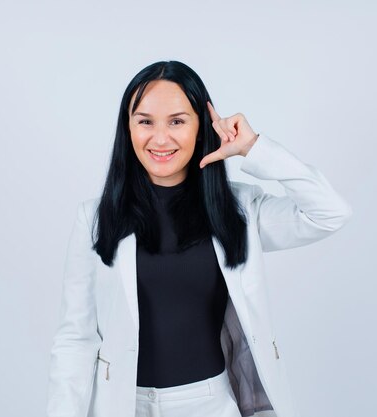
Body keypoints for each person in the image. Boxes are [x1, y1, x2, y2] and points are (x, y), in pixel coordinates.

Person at [46, 60, 353, 417]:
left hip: (210, 404)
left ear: (201, 127)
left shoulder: (238, 210)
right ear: (128, 129)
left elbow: (330, 212)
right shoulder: (96, 219)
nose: (160, 138)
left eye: (177, 121)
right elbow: (75, 339)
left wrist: (254, 147)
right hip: (123, 406)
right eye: (145, 121)